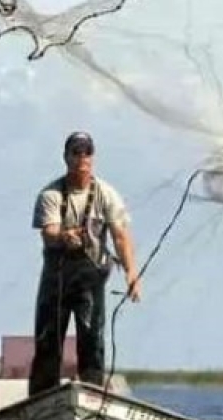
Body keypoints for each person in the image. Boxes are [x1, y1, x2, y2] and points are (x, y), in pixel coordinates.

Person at [29, 131, 141, 396]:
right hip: (56, 279)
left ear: (93, 157)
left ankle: (91, 396)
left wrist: (131, 274)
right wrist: (63, 237)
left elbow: (120, 236)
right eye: (76, 152)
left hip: (90, 280)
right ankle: (42, 399)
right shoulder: (51, 194)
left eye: (87, 151)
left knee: (92, 339)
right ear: (66, 157)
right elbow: (48, 232)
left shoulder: (107, 194)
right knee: (48, 340)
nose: (82, 157)